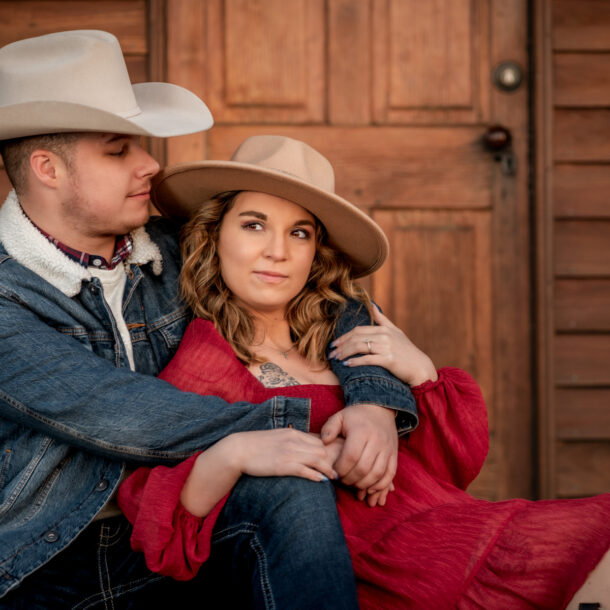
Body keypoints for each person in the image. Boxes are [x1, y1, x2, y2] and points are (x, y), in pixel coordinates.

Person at [0, 31, 416, 608]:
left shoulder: (168, 249)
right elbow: (122, 412)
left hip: (175, 534)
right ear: (47, 168)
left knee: (294, 483)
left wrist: (373, 402)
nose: (151, 164)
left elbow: (321, 290)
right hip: (47, 565)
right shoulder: (4, 302)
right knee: (284, 459)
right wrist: (271, 431)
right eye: (119, 150)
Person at [118, 135, 610, 609]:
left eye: (299, 232)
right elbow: (165, 532)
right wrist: (234, 453)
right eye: (253, 225)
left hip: (458, 528)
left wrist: (418, 370)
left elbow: (449, 467)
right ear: (214, 236)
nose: (277, 251)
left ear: (316, 254)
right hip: (383, 571)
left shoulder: (350, 338)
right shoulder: (205, 363)